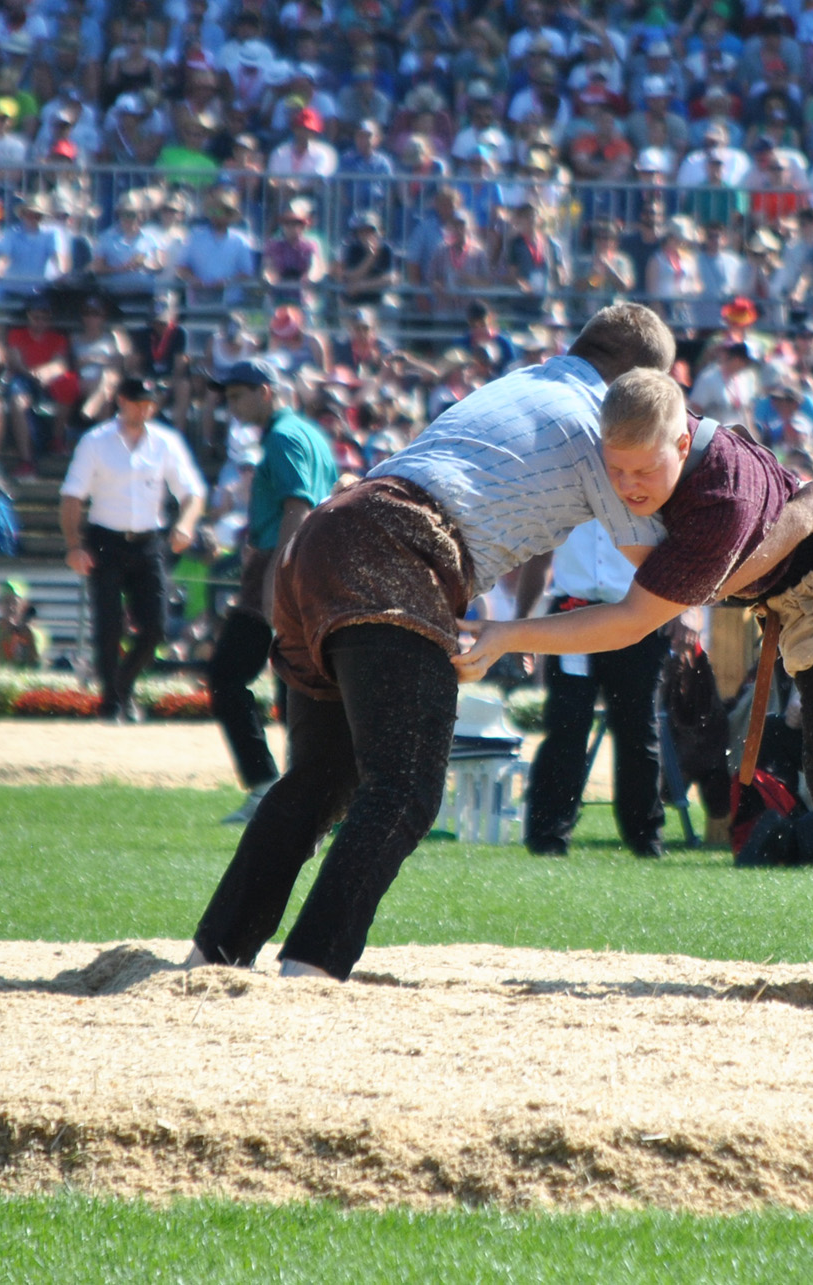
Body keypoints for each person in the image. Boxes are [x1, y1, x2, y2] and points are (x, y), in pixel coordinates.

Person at [188, 305, 693, 982]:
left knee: (319, 778)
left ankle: (213, 953)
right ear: (637, 384)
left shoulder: (521, 383)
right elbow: (650, 573)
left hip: (325, 537)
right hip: (395, 549)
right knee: (405, 787)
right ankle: (311, 965)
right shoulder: (601, 423)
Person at [458, 369, 813, 997]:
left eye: (643, 471)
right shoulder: (682, 451)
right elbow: (798, 506)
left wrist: (508, 634)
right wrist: (801, 514)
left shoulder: (719, 507)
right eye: (617, 470)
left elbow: (629, 621)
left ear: (683, 444)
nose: (629, 486)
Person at [209, 360, 338, 825]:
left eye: (237, 396)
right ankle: (307, 793)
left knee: (226, 676)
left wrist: (276, 579)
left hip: (283, 562)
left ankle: (267, 788)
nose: (231, 406)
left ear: (266, 391)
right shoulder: (306, 433)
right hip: (306, 561)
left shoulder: (284, 437)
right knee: (296, 683)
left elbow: (297, 507)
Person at [60, 376, 206, 721]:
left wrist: (186, 523)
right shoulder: (96, 442)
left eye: (149, 403)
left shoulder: (166, 442)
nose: (144, 409)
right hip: (105, 541)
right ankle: (111, 701)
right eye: (137, 402)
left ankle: (122, 686)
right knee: (108, 626)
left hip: (148, 542)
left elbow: (193, 492)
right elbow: (72, 496)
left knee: (155, 628)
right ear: (121, 402)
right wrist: (74, 545)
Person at [523, 521, 669, 859]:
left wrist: (685, 612)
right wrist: (522, 620)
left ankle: (645, 837)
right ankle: (548, 834)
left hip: (638, 616)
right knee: (565, 725)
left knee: (637, 728)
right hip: (572, 615)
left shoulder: (645, 482)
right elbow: (539, 555)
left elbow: (680, 551)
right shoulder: (565, 485)